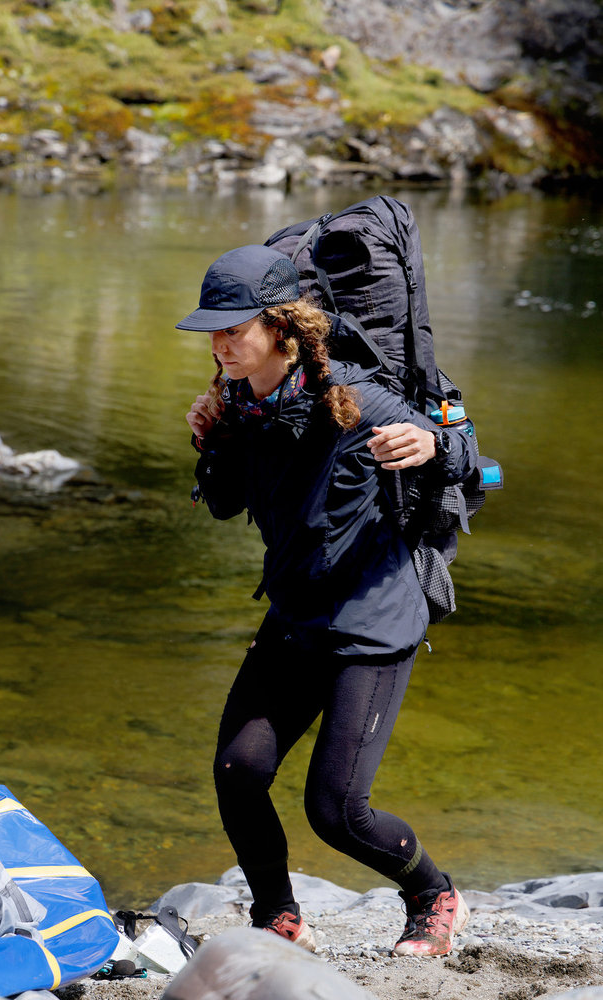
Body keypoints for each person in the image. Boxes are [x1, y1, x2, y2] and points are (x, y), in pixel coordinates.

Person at [178, 244, 474, 957]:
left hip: (371, 624)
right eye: (211, 330)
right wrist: (207, 442)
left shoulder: (359, 399)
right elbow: (223, 505)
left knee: (336, 811)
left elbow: (473, 461)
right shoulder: (239, 403)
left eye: (233, 327)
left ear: (281, 328)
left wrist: (430, 445)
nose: (220, 343)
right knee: (238, 772)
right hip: (295, 616)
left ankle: (434, 895)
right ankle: (280, 918)